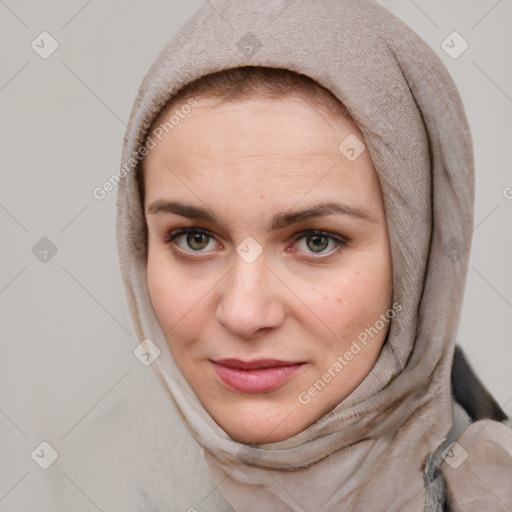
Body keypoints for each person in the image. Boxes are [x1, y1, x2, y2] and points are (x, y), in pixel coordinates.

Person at [114, 1, 512, 510]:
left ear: (419, 263)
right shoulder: (89, 486)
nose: (244, 312)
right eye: (195, 238)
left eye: (315, 241)